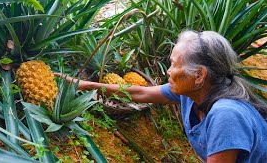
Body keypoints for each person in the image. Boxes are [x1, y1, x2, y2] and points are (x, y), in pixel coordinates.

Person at [56, 30, 267, 162]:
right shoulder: (192, 93)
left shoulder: (226, 115)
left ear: (199, 75)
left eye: (174, 64)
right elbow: (141, 92)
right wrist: (84, 85)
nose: (167, 71)